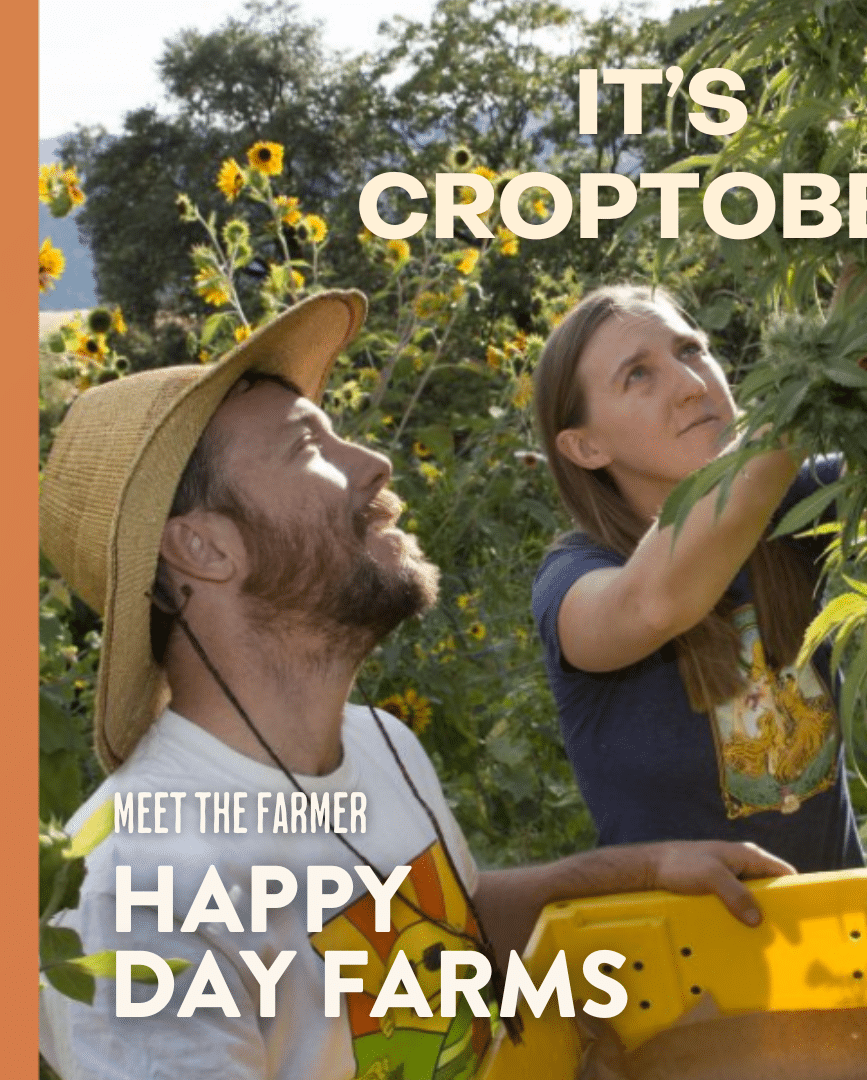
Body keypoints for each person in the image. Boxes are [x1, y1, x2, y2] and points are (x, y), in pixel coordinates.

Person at [38, 291, 793, 1080]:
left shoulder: (377, 742)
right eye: (307, 448)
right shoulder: (138, 891)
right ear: (202, 547)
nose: (374, 463)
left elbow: (439, 932)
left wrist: (636, 873)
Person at [530, 156, 867, 871]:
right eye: (639, 375)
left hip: (837, 939)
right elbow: (656, 602)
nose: (692, 385)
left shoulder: (796, 505)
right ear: (585, 445)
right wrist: (814, 378)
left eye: (692, 351)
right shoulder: (575, 580)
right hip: (684, 969)